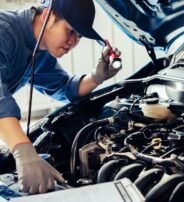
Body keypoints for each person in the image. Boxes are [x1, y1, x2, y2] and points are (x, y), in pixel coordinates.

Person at [0, 0, 121, 194]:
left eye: (79, 36)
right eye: (71, 30)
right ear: (48, 16)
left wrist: (96, 77)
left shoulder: (40, 52)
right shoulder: (4, 31)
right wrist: (24, 151)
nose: (74, 42)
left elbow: (64, 87)